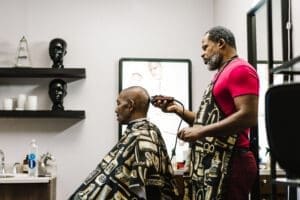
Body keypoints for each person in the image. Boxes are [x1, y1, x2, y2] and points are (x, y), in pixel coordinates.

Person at [152, 26, 259, 200]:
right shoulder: (221, 73)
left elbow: (248, 116)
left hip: (233, 162)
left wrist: (200, 132)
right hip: (217, 162)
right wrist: (178, 110)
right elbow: (206, 121)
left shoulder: (240, 70)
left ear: (221, 43)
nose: (202, 54)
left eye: (205, 47)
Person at [69, 86, 179, 200]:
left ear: (130, 105)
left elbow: (147, 188)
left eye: (118, 104)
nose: (116, 110)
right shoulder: (144, 131)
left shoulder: (142, 135)